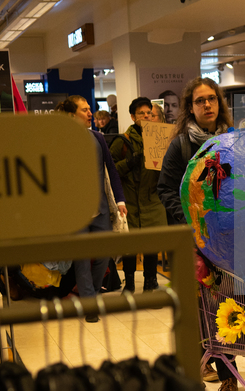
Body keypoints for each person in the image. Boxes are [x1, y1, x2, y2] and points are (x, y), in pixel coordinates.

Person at [157, 78, 238, 391]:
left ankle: (228, 373)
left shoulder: (232, 139)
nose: (208, 105)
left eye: (212, 99)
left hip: (228, 239)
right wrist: (188, 220)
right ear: (190, 108)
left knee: (227, 305)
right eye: (200, 100)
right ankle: (200, 367)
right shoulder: (182, 144)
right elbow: (165, 187)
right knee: (200, 308)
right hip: (194, 241)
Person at [55, 96, 127, 323]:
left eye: (90, 109)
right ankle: (90, 305)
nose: (90, 113)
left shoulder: (98, 137)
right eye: (84, 110)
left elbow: (111, 170)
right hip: (74, 212)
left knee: (104, 255)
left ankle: (93, 294)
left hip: (100, 209)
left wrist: (121, 200)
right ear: (70, 115)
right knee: (82, 259)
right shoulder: (58, 141)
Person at [110, 97, 167, 293]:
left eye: (149, 113)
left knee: (152, 243)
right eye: (142, 113)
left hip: (152, 200)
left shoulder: (160, 138)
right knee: (130, 245)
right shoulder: (122, 141)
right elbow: (110, 171)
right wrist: (129, 162)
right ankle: (130, 283)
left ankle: (151, 281)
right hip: (130, 201)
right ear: (133, 117)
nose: (146, 116)